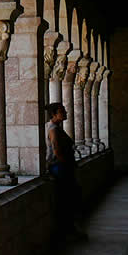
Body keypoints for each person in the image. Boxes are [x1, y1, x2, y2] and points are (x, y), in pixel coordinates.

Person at [46, 102, 87, 239]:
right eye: (62, 111)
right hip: (60, 168)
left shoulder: (56, 127)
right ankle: (68, 231)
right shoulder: (53, 129)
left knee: (69, 198)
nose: (65, 113)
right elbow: (57, 151)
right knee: (67, 198)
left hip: (61, 167)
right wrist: (68, 164)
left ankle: (70, 229)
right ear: (54, 114)